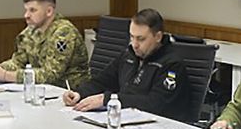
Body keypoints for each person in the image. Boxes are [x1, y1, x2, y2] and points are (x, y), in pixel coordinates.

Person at [62, 8, 194, 123]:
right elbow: (102, 81)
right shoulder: (129, 55)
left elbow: (155, 104)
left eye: (141, 39)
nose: (134, 44)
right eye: (132, 37)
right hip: (126, 120)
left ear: (158, 36)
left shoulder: (172, 64)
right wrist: (79, 93)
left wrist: (108, 99)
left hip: (161, 127)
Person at [0, 0, 90, 90]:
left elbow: (51, 75)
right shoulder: (31, 31)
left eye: (32, 10)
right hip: (42, 89)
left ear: (49, 11)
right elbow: (18, 62)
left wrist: (6, 75)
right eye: (26, 10)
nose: (26, 15)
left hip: (69, 92)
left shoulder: (64, 33)